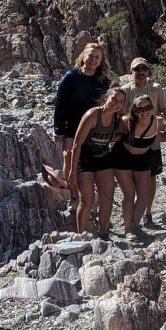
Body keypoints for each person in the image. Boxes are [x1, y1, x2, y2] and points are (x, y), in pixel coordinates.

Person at [67, 88, 126, 237]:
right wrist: (72, 171)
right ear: (106, 98)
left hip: (103, 157)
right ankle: (83, 236)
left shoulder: (117, 119)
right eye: (114, 99)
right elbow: (77, 144)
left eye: (120, 101)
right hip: (85, 158)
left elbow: (121, 135)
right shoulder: (93, 115)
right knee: (87, 200)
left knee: (107, 198)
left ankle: (103, 233)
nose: (116, 104)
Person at [120, 57, 166, 225]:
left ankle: (147, 212)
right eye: (137, 69)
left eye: (144, 69)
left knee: (151, 178)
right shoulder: (125, 91)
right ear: (131, 72)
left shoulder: (156, 89)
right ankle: (132, 218)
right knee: (131, 183)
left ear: (148, 71)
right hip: (129, 145)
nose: (140, 72)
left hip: (152, 143)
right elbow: (118, 115)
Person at [53, 43, 112, 177]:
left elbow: (109, 107)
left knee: (92, 162)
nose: (93, 59)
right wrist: (59, 130)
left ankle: (88, 192)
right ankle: (72, 192)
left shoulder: (103, 82)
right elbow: (60, 104)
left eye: (97, 57)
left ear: (101, 60)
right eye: (90, 55)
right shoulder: (71, 77)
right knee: (69, 157)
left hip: (94, 129)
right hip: (71, 126)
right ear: (83, 56)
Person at [113, 93, 166, 235]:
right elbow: (112, 137)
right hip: (122, 157)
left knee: (143, 195)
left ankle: (134, 225)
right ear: (134, 110)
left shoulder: (158, 122)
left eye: (147, 107)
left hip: (143, 158)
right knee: (129, 194)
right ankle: (127, 229)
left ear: (152, 107)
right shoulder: (126, 122)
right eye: (139, 109)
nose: (144, 112)